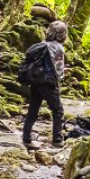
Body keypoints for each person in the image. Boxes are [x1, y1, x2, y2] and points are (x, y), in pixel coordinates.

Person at [21, 21, 68, 150]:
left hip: (36, 81)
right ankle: (57, 140)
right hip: (48, 83)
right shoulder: (59, 47)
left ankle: (26, 139)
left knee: (33, 110)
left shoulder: (42, 45)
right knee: (58, 110)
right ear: (62, 34)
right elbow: (58, 70)